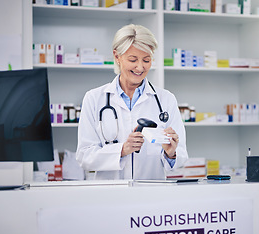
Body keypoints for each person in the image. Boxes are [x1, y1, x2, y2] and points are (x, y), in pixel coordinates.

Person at [76, 24, 188, 180]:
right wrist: (121, 150)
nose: (140, 67)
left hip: (152, 194)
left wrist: (171, 153)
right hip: (110, 196)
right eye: (133, 59)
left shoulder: (166, 99)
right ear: (117, 57)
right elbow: (84, 156)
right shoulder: (94, 99)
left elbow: (181, 155)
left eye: (146, 60)